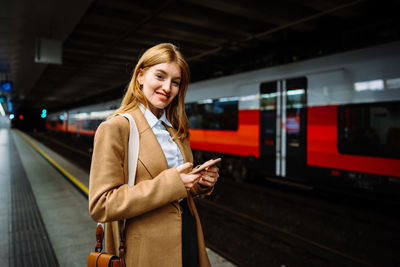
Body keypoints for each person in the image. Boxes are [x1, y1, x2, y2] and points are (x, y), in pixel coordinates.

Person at [89, 43, 219, 267]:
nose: (167, 87)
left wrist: (200, 182)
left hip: (187, 235)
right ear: (140, 76)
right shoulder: (116, 128)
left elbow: (181, 189)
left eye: (175, 82)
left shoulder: (177, 130)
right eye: (160, 76)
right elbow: (101, 205)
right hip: (145, 248)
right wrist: (171, 184)